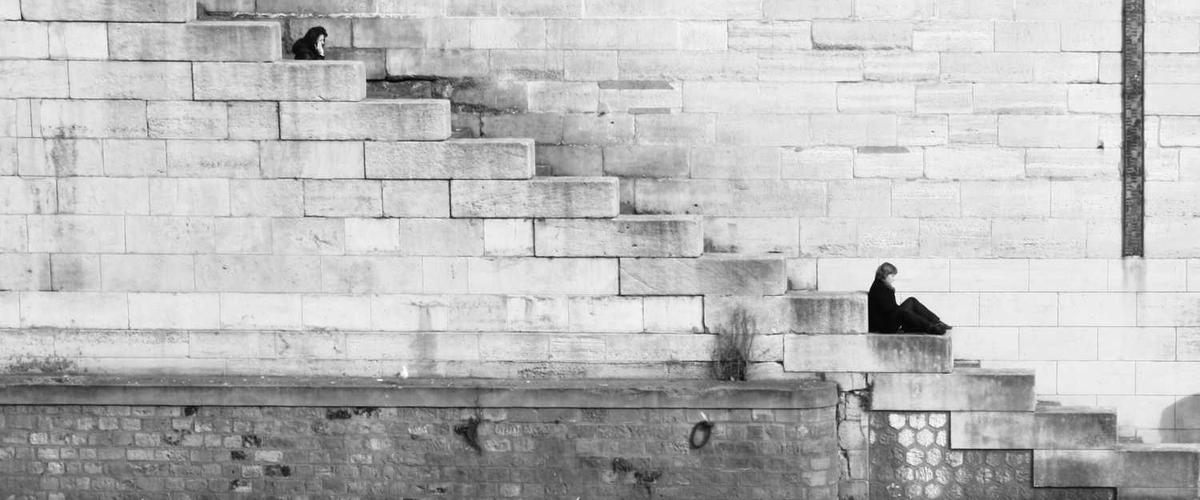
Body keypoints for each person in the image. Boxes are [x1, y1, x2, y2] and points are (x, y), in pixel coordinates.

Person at [868, 262, 952, 335]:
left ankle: (937, 322)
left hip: (889, 319)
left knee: (911, 301)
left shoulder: (881, 285)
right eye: (892, 276)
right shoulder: (879, 288)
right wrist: (906, 312)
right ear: (885, 275)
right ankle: (932, 328)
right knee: (905, 311)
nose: (893, 279)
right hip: (886, 326)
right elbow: (888, 309)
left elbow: (890, 308)